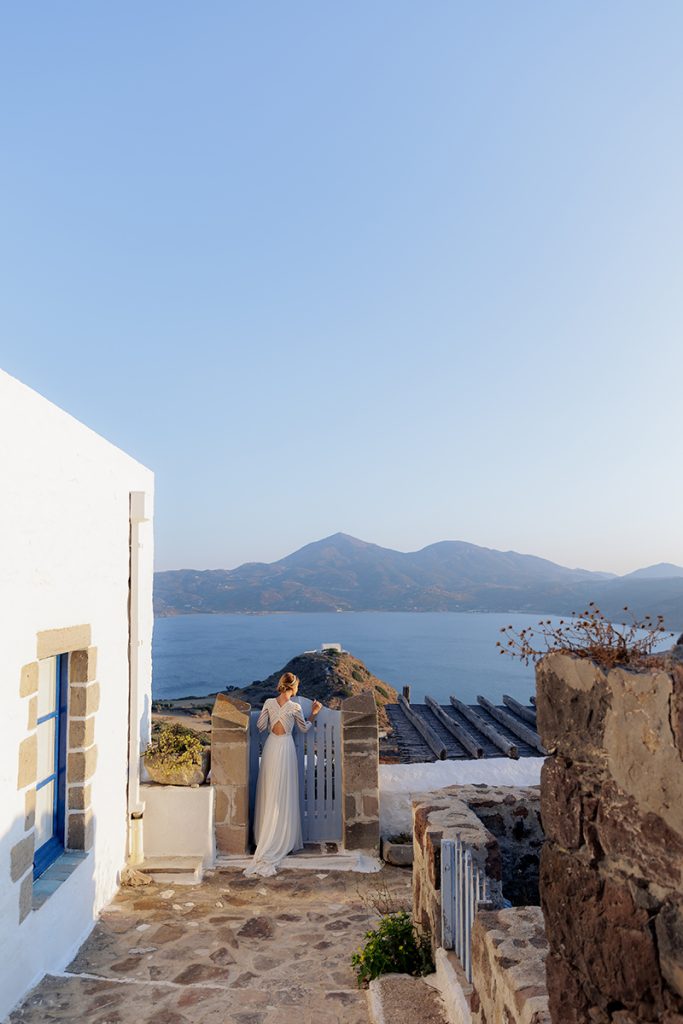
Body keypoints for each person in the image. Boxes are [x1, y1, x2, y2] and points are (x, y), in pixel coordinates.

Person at [243, 671, 322, 877]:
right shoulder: (295, 707)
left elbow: (260, 726)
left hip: (271, 747)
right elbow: (304, 728)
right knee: (284, 793)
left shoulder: (269, 702)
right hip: (286, 748)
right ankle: (282, 837)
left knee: (270, 790)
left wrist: (269, 715)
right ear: (294, 687)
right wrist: (314, 713)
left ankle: (265, 836)